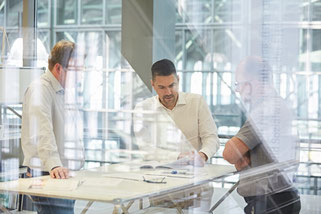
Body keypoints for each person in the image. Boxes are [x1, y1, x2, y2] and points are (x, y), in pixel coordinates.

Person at [134, 59, 220, 210]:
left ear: (178, 80)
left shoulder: (196, 102)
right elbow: (146, 150)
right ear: (153, 85)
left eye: (171, 85)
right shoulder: (143, 109)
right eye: (161, 87)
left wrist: (203, 154)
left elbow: (211, 138)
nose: (168, 92)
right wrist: (179, 157)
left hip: (196, 183)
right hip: (160, 186)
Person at [223, 56, 301, 214]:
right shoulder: (277, 105)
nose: (237, 90)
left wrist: (240, 155)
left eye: (239, 83)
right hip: (278, 200)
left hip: (270, 203)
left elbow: (230, 153)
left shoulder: (265, 111)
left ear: (254, 81)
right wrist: (243, 156)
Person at [21, 40, 84, 214]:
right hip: (48, 173)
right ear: (58, 68)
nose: (80, 77)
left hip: (61, 174)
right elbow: (43, 131)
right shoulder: (40, 89)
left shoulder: (62, 91)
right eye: (76, 71)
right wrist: (54, 165)